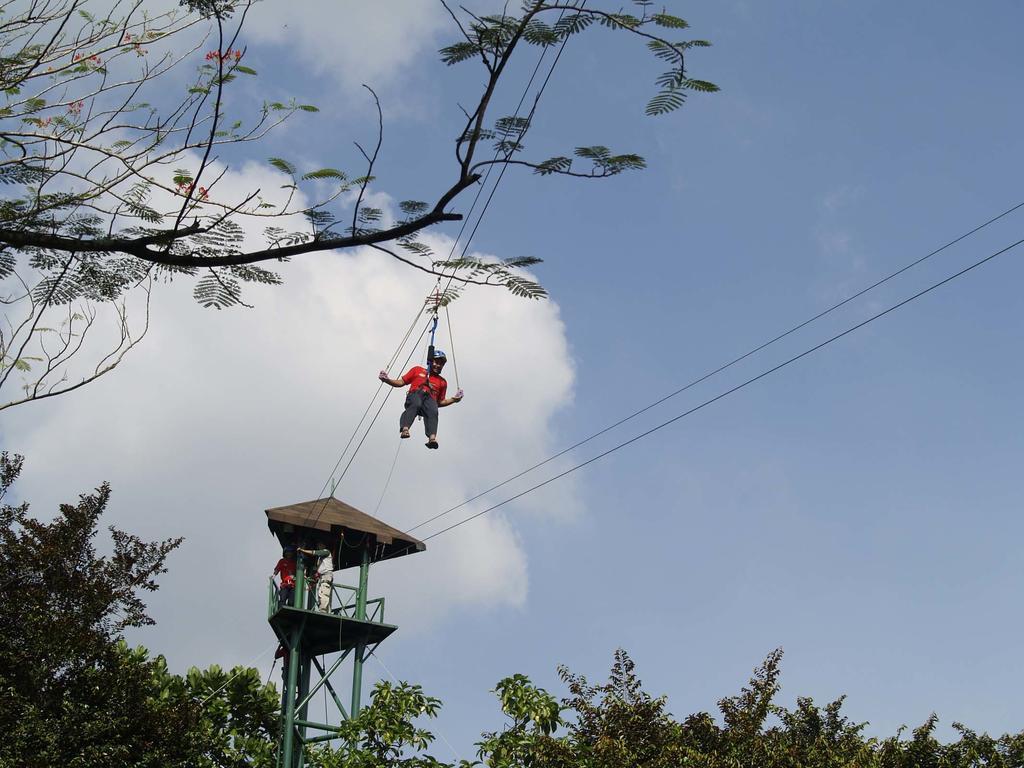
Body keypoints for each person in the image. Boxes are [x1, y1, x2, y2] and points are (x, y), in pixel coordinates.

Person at [379, 350, 463, 449]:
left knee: (433, 410)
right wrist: (387, 380)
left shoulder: (442, 382)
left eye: (441, 364)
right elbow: (401, 382)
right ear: (431, 362)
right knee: (417, 402)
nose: (438, 366)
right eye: (436, 362)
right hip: (416, 395)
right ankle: (405, 428)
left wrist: (454, 399)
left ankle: (432, 438)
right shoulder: (417, 370)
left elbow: (440, 402)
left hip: (429, 400)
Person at [298, 541, 334, 612]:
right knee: (322, 594)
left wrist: (302, 550)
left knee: (324, 594)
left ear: (324, 545)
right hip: (323, 577)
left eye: (320, 544)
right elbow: (319, 572)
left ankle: (323, 612)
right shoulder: (320, 559)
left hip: (326, 577)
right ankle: (324, 610)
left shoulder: (326, 551)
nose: (319, 546)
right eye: (318, 545)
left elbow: (314, 552)